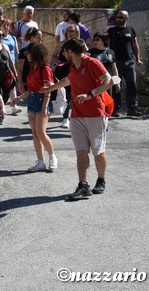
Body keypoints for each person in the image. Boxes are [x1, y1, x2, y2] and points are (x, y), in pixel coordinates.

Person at [40, 38, 114, 200]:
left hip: (96, 114)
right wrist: (49, 88)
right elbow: (67, 81)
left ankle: (101, 180)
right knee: (81, 151)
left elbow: (108, 81)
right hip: (77, 116)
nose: (63, 55)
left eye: (64, 52)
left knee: (98, 151)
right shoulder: (73, 67)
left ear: (71, 52)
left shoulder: (92, 63)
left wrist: (90, 95)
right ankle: (83, 185)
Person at [12, 43, 58, 172]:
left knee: (41, 132)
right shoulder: (33, 68)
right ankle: (40, 162)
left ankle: (52, 157)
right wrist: (19, 98)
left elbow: (48, 89)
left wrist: (44, 107)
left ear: (35, 53)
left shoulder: (45, 68)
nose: (27, 56)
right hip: (32, 100)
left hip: (42, 101)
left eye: (28, 53)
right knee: (35, 133)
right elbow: (30, 90)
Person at [107, 10, 143, 117]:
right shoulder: (111, 31)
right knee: (116, 86)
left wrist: (138, 59)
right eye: (118, 17)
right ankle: (115, 110)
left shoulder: (130, 30)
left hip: (129, 62)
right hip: (116, 63)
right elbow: (106, 45)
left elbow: (135, 45)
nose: (119, 19)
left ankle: (132, 109)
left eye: (121, 17)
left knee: (132, 85)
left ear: (127, 18)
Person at [54, 24, 82, 129]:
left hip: (76, 71)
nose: (70, 33)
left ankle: (78, 118)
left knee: (77, 94)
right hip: (63, 72)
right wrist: (60, 62)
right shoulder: (62, 44)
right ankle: (65, 118)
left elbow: (86, 55)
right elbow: (53, 56)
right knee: (66, 95)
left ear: (77, 32)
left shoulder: (81, 44)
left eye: (72, 31)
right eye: (68, 31)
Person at [88, 32, 121, 99]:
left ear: (104, 40)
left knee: (108, 101)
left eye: (97, 39)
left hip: (108, 82)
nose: (95, 41)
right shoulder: (90, 53)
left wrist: (117, 83)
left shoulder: (111, 52)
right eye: (94, 40)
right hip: (95, 82)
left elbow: (114, 68)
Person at [0, 18, 21, 114]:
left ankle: (14, 106)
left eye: (7, 25)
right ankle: (1, 107)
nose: (6, 27)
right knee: (2, 86)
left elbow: (16, 52)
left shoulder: (13, 38)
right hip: (3, 65)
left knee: (12, 85)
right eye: (4, 25)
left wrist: (18, 65)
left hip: (11, 65)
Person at [17, 27, 42, 94]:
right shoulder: (24, 52)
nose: (40, 40)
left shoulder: (42, 51)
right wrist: (20, 84)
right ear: (32, 38)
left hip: (40, 82)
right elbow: (20, 69)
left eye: (41, 37)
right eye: (38, 37)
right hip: (27, 82)